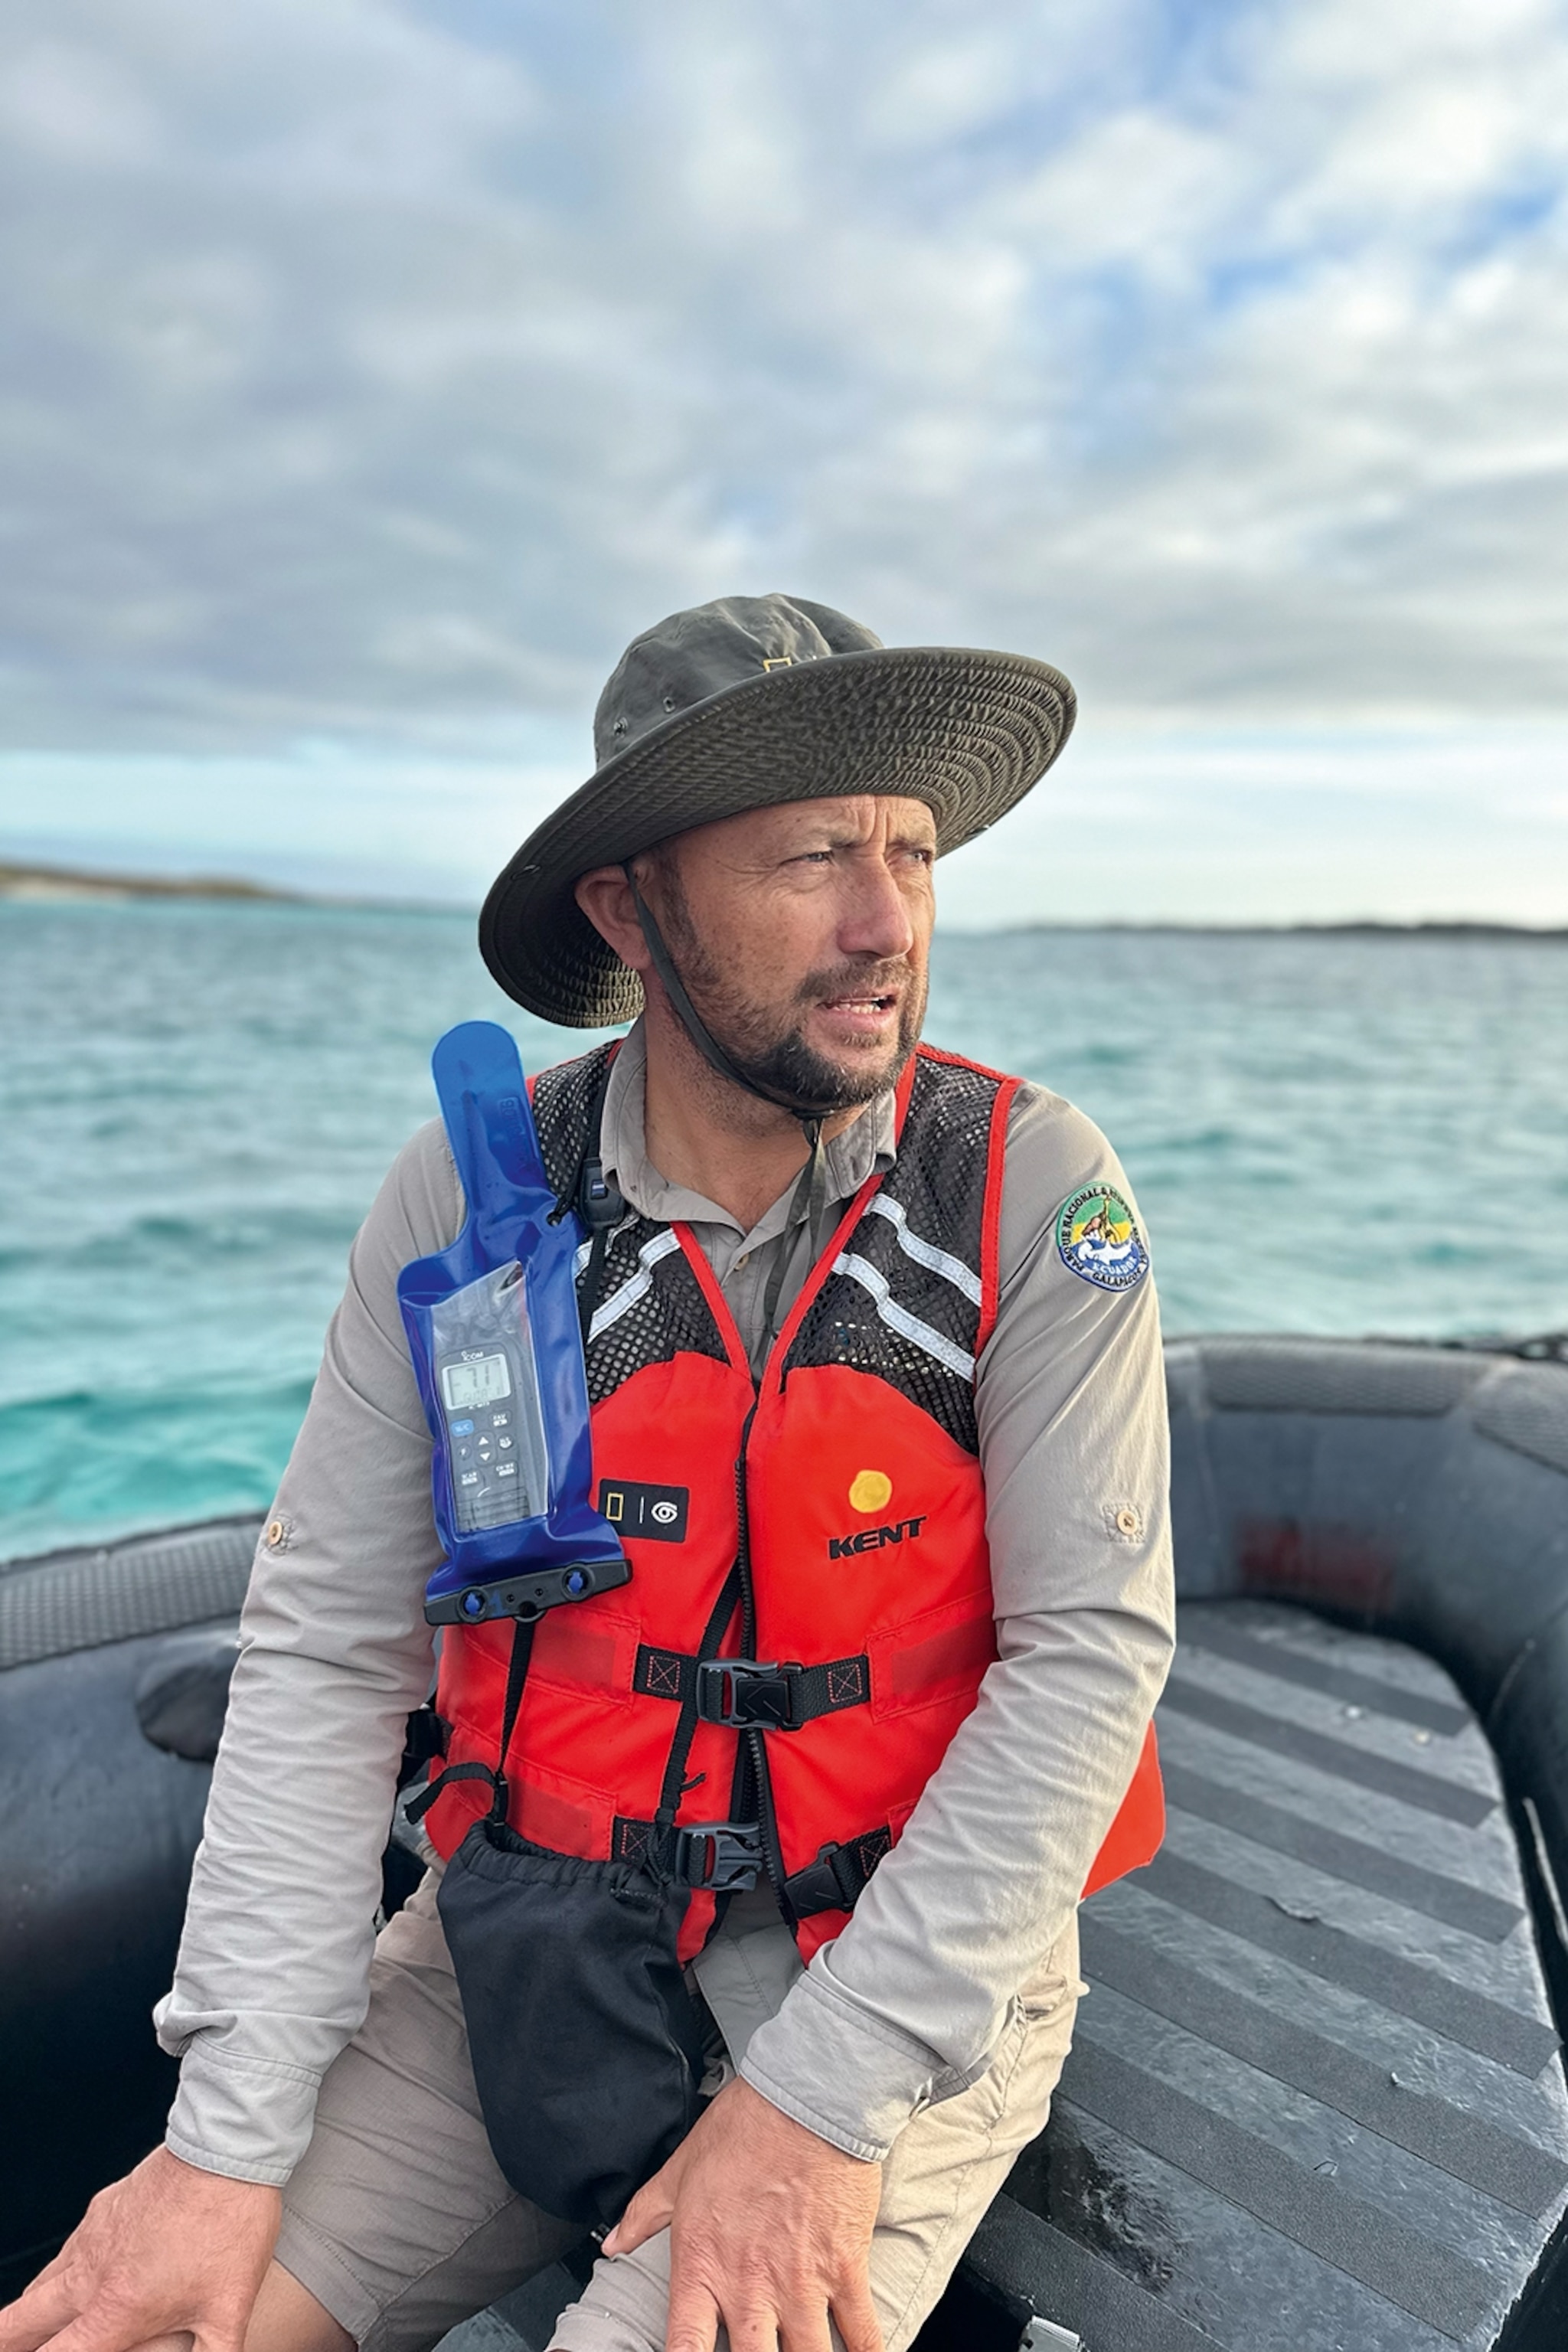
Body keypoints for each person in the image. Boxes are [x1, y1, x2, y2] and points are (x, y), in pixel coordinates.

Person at [0, 594, 1174, 2352]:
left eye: (910, 856)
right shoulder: (471, 1206)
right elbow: (326, 1654)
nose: (884, 928)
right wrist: (222, 2142)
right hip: (524, 1947)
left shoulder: (1025, 1190)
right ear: (628, 906)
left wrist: (815, 2107)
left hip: (876, 1979)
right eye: (808, 859)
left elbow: (1086, 1662)